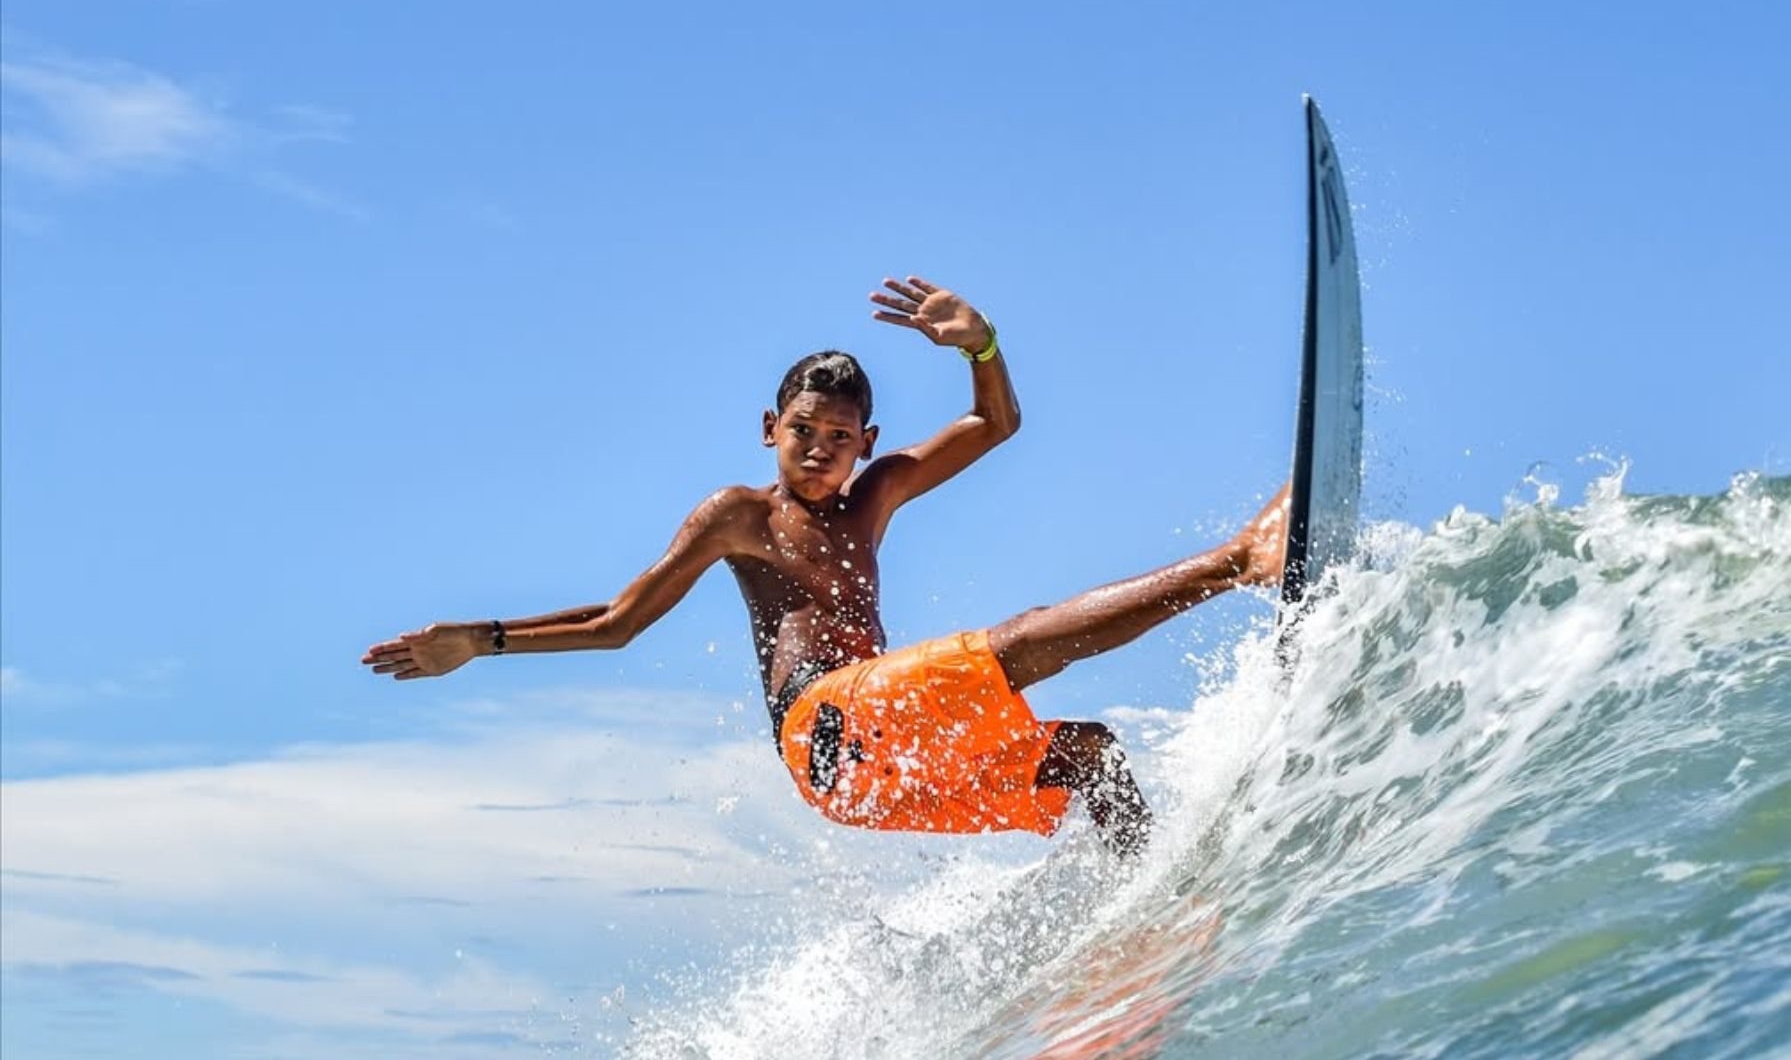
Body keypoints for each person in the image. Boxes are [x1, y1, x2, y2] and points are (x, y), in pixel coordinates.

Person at [363, 276, 1290, 855]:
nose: (819, 451)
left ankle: (1150, 912)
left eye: (839, 438)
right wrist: (478, 643)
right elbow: (618, 622)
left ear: (865, 443)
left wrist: (983, 347)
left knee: (1088, 754)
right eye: (802, 432)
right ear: (772, 430)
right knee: (1002, 650)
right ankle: (1238, 560)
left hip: (889, 764)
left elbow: (996, 424)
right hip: (827, 732)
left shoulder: (875, 495)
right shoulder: (740, 515)